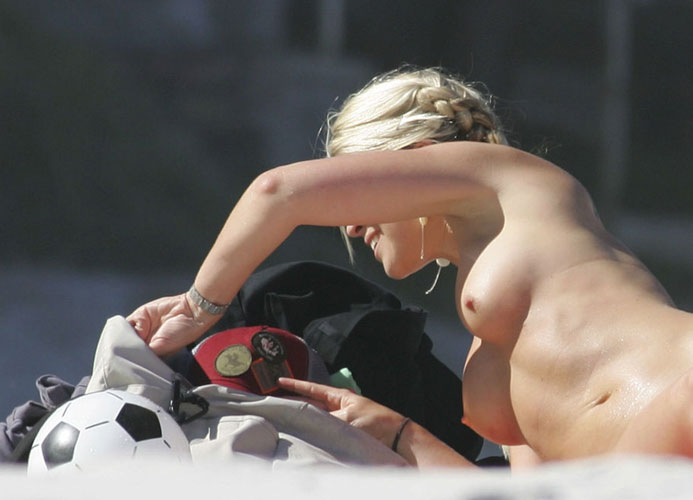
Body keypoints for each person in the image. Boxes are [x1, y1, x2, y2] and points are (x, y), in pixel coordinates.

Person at [127, 66, 693, 468]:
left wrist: (198, 307)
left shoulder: (516, 182)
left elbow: (278, 193)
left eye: (355, 191)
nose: (350, 226)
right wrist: (399, 434)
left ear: (417, 157)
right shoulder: (489, 352)